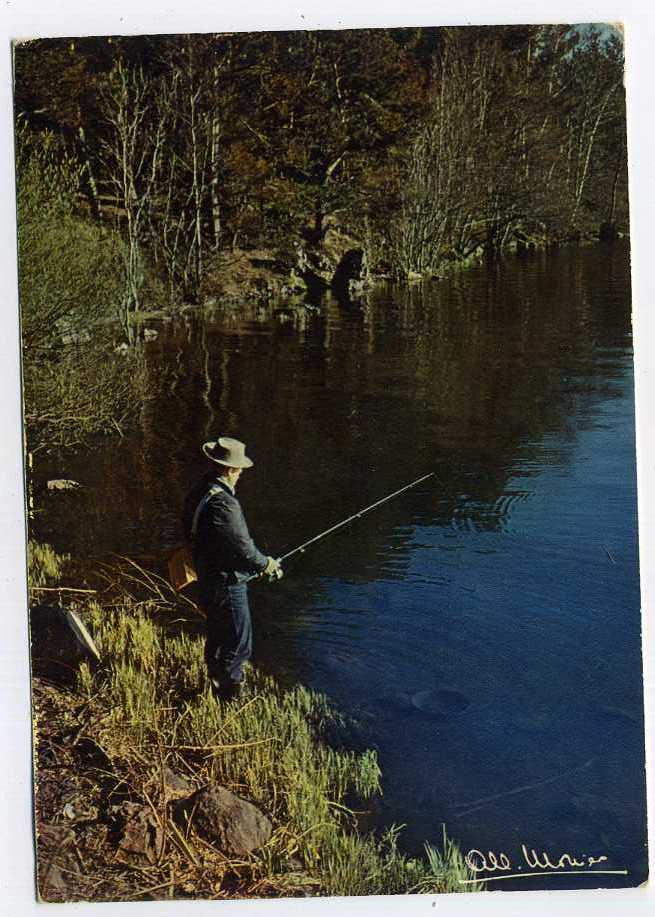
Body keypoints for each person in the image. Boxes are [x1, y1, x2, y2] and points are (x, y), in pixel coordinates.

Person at [183, 437, 282, 701]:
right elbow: (244, 549)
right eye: (238, 470)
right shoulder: (225, 504)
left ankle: (214, 692)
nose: (240, 475)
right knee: (238, 644)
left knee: (217, 638)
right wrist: (266, 564)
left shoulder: (200, 490)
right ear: (228, 469)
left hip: (206, 576)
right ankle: (230, 702)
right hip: (226, 584)